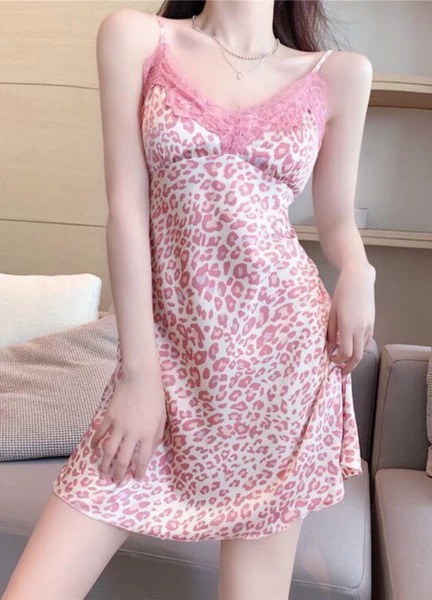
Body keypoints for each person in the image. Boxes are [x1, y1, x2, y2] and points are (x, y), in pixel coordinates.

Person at [2, 1, 376, 599]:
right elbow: (126, 211)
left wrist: (358, 268)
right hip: (169, 354)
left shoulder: (340, 74)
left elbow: (335, 220)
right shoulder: (137, 38)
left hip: (283, 363)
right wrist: (139, 374)